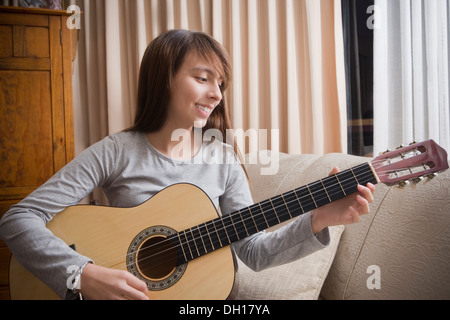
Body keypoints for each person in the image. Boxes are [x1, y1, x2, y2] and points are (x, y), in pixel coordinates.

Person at [0, 29, 375, 300]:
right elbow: (18, 219)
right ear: (164, 79)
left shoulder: (224, 160)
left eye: (221, 84)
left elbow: (254, 253)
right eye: (202, 78)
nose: (216, 94)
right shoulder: (115, 151)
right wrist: (81, 275)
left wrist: (320, 217)